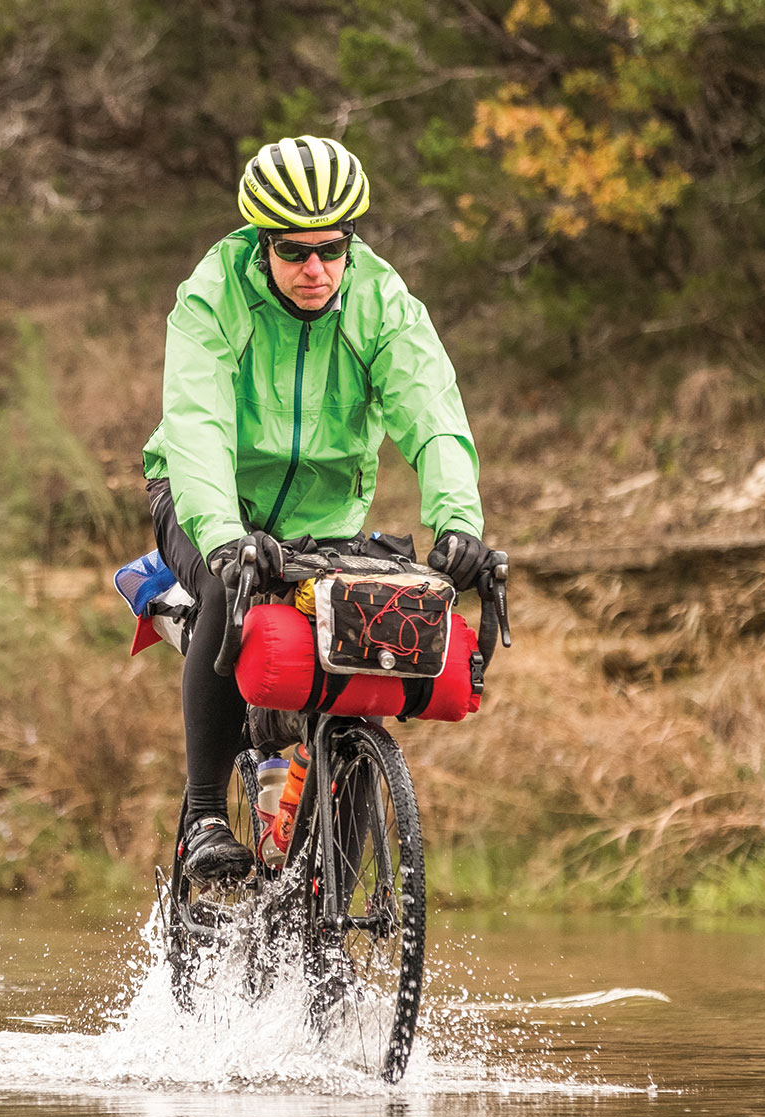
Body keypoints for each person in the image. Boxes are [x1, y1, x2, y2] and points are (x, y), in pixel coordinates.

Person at [142, 135, 499, 880]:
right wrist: (221, 536)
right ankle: (207, 812)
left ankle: (328, 888)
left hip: (324, 520)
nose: (315, 270)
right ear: (260, 244)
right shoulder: (214, 295)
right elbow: (197, 421)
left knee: (365, 642)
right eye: (295, 251)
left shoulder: (378, 301)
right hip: (205, 495)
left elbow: (430, 409)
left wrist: (458, 518)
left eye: (331, 250)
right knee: (223, 585)